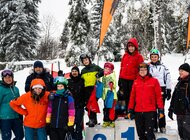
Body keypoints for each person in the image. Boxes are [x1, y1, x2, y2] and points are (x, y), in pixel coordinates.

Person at [127, 63, 164, 140]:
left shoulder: (154, 81)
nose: (142, 71)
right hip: (138, 112)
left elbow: (158, 97)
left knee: (149, 134)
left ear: (148, 71)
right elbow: (132, 97)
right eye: (141, 70)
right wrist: (130, 109)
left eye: (144, 70)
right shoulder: (136, 82)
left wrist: (160, 109)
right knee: (141, 134)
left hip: (150, 112)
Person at [118, 38, 144, 115]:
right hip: (124, 79)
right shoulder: (125, 56)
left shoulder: (139, 56)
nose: (131, 48)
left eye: (132, 46)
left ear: (135, 47)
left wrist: (139, 79)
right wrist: (120, 79)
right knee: (126, 96)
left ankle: (133, 111)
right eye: (129, 46)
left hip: (133, 80)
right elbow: (122, 67)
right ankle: (127, 111)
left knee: (133, 96)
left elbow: (141, 69)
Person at [149, 48, 172, 133]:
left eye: (155, 57)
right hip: (151, 89)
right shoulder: (148, 66)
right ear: (150, 57)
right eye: (152, 57)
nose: (154, 58)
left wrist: (168, 89)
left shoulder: (163, 67)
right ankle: (154, 126)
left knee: (161, 108)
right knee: (152, 109)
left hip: (161, 88)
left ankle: (162, 126)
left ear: (158, 57)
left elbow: (168, 78)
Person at [80, 54, 104, 127]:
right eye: (84, 61)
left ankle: (92, 120)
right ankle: (92, 119)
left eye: (86, 60)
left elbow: (103, 71)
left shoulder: (95, 67)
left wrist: (98, 74)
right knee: (88, 105)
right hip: (86, 89)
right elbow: (82, 80)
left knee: (92, 104)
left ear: (89, 59)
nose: (85, 61)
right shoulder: (83, 70)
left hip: (94, 88)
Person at [0, 69, 24, 140]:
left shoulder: (16, 89)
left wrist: (20, 115)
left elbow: (19, 102)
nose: (8, 79)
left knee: (20, 136)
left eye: (10, 77)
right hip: (4, 118)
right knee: (6, 137)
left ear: (12, 78)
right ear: (3, 79)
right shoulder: (1, 89)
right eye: (6, 78)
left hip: (16, 117)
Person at [168, 63, 190, 140]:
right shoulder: (179, 83)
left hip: (187, 114)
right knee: (181, 133)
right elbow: (174, 97)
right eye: (179, 70)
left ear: (188, 72)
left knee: (187, 134)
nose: (180, 72)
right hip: (179, 113)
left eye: (182, 71)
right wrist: (171, 109)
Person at [68, 66, 85, 140]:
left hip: (79, 106)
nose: (74, 72)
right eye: (73, 71)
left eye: (76, 71)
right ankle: (72, 138)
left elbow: (85, 92)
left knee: (79, 124)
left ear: (78, 72)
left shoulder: (82, 81)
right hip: (70, 107)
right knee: (70, 124)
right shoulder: (68, 81)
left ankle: (79, 138)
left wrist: (83, 102)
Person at [102, 62, 117, 128]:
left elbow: (115, 85)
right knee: (106, 108)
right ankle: (106, 120)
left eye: (108, 69)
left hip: (112, 95)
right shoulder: (103, 76)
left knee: (111, 109)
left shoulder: (112, 76)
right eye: (105, 69)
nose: (106, 70)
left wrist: (112, 84)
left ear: (111, 70)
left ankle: (112, 120)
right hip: (105, 95)